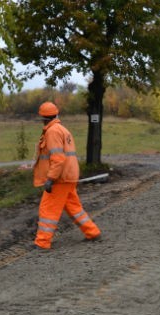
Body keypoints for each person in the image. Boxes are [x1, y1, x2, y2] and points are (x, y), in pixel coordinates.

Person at [32, 101, 101, 249]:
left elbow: (58, 159)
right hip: (69, 176)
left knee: (48, 208)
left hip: (60, 178)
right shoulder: (62, 129)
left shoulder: (52, 132)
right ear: (56, 115)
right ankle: (92, 232)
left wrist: (50, 179)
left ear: (43, 118)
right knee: (74, 207)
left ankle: (42, 242)